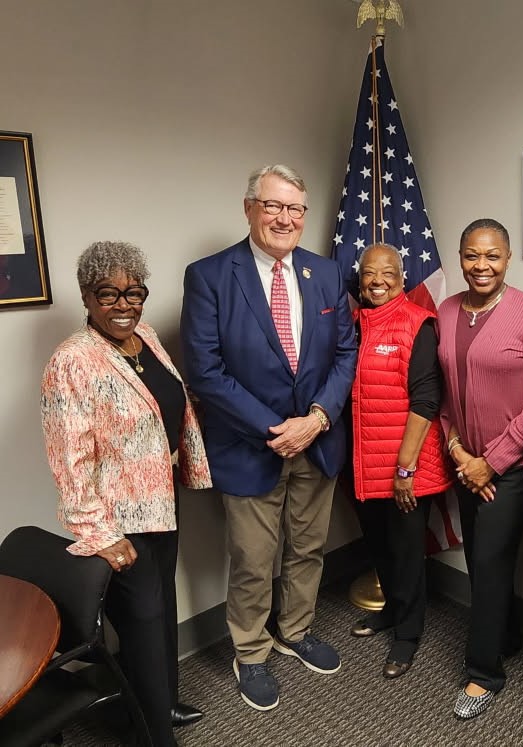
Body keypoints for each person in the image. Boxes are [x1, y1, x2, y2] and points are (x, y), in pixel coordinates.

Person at [180, 164, 356, 712]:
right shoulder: (210, 275)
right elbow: (205, 371)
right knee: (254, 558)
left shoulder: (326, 275)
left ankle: (296, 630)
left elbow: (345, 353)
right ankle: (251, 652)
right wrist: (274, 429)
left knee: (308, 547)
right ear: (250, 207)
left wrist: (319, 418)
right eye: (274, 206)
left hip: (318, 439)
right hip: (250, 445)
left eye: (295, 209)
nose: (285, 218)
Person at [40, 241, 212, 747]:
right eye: (108, 294)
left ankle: (165, 703)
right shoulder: (73, 361)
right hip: (119, 521)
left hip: (160, 502)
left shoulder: (149, 338)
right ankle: (153, 734)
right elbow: (68, 457)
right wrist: (99, 533)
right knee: (141, 622)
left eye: (133, 292)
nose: (124, 304)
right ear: (87, 298)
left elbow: (168, 405)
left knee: (161, 608)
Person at [436, 218, 523, 719]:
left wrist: (492, 463)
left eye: (493, 257)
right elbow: (441, 391)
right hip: (464, 462)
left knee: (489, 561)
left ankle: (484, 672)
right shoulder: (444, 310)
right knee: (480, 556)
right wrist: (459, 450)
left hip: (513, 468)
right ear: (460, 257)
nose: (481, 266)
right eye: (471, 256)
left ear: (508, 259)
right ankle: (505, 637)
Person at [348, 243, 453, 678]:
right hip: (363, 464)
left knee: (408, 553)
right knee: (380, 547)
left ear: (402, 277)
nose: (377, 282)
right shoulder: (353, 324)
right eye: (369, 274)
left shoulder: (417, 323)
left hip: (406, 467)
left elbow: (426, 403)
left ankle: (408, 636)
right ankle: (391, 612)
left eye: (387, 273)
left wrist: (405, 470)